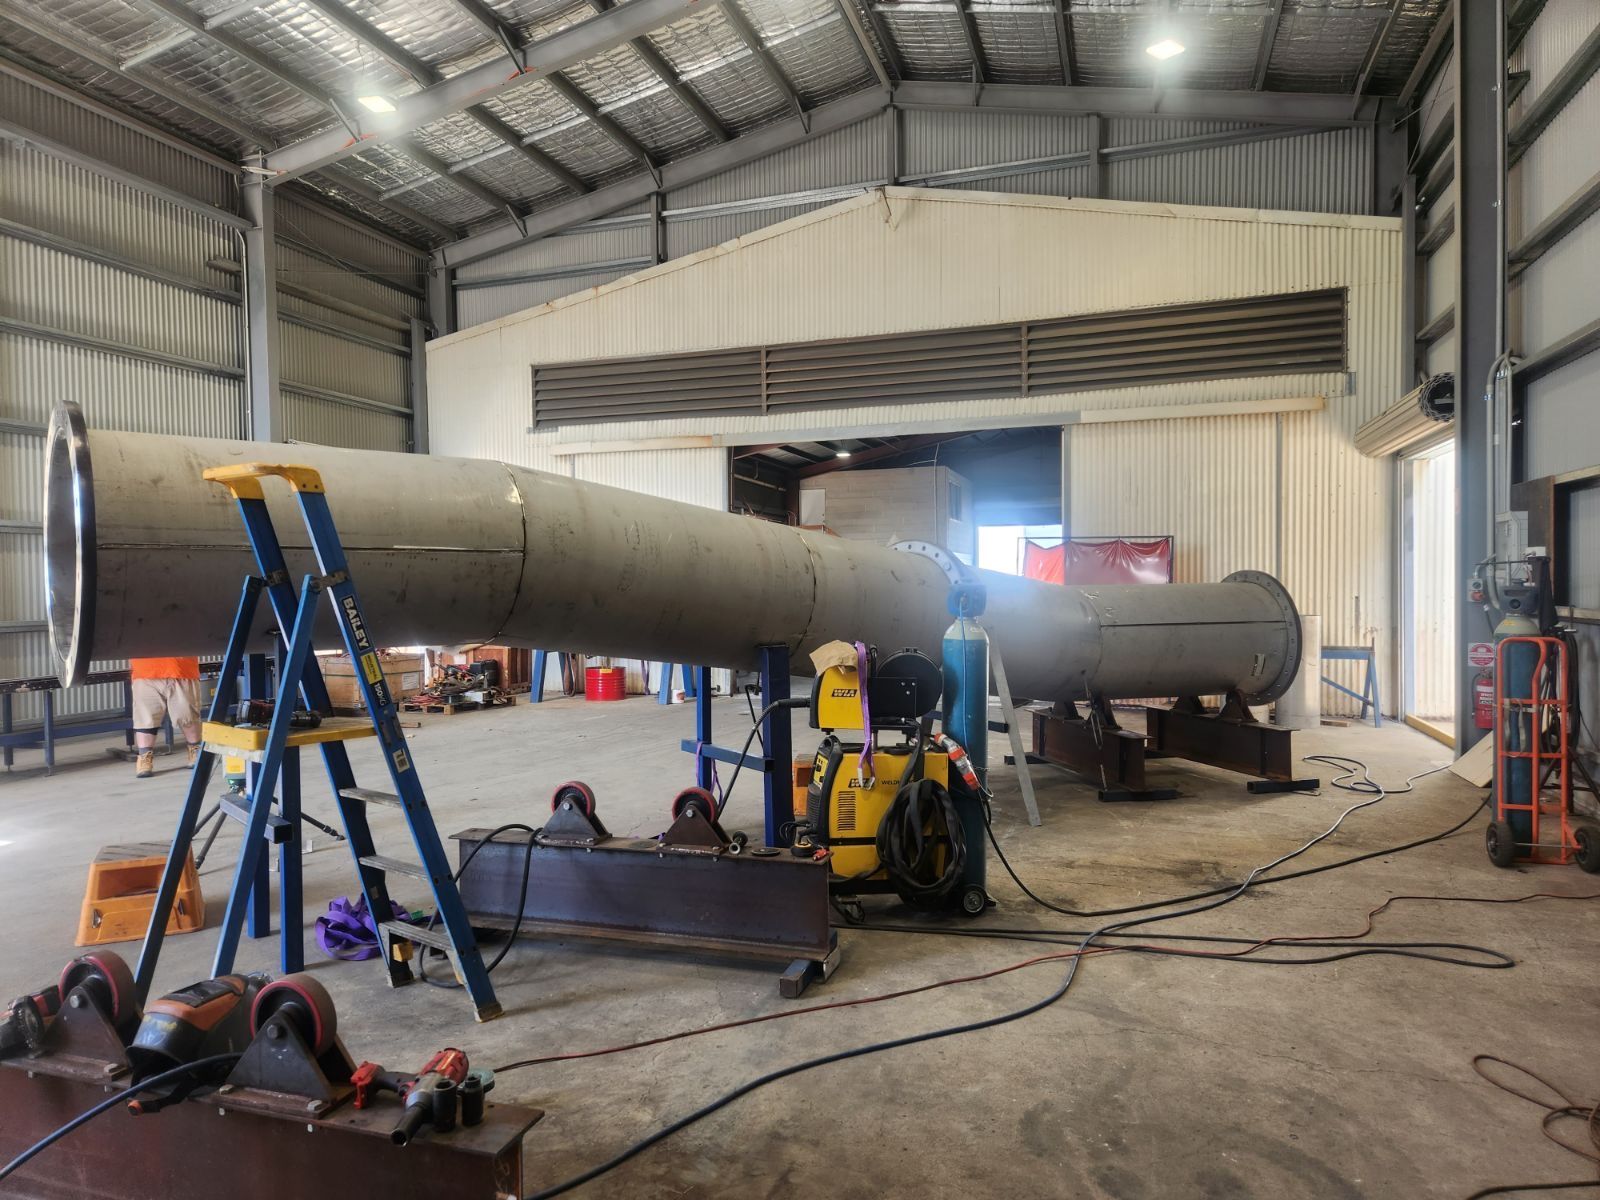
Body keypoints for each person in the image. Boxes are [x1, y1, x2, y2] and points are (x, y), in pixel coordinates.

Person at [129, 657, 202, 778]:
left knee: (187, 715)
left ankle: (195, 751)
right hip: (145, 671)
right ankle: (144, 758)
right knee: (146, 718)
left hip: (182, 669)